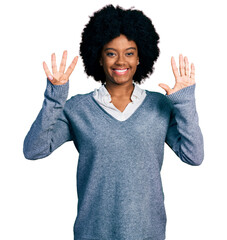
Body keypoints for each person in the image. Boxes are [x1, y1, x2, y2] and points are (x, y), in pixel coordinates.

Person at [23, 4, 204, 240]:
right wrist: (55, 96)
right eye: (111, 53)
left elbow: (194, 155)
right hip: (92, 234)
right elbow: (33, 149)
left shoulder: (160, 106)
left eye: (129, 53)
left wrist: (184, 102)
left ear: (140, 58)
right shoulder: (78, 109)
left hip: (147, 234)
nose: (121, 61)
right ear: (99, 57)